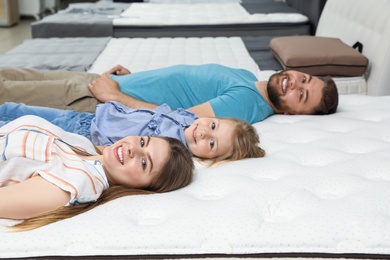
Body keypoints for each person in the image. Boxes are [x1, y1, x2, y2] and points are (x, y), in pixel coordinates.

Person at [0, 115, 194, 231]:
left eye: (144, 163)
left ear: (143, 188)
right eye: (143, 141)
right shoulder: (85, 148)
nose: (133, 149)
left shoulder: (79, 182)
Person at [0, 64, 339, 124]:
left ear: (291, 113)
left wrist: (115, 97)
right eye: (303, 78)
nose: (295, 83)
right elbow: (180, 86)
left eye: (302, 94)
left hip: (92, 99)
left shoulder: (248, 103)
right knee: (7, 75)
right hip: (97, 81)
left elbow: (181, 121)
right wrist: (138, 79)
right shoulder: (248, 77)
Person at [0, 101, 265, 165]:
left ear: (208, 158)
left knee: (14, 118)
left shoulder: (173, 147)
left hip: (83, 133)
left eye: (211, 144)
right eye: (214, 126)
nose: (204, 132)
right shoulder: (190, 119)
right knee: (14, 109)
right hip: (87, 117)